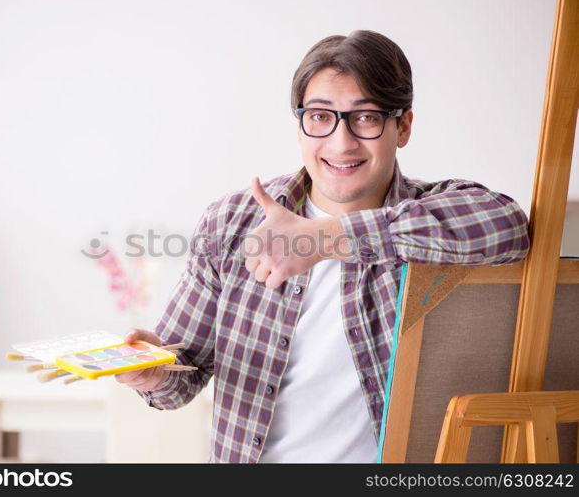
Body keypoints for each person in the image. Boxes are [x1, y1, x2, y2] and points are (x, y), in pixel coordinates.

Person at [114, 31, 530, 463]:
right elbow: (183, 375)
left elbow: (509, 226)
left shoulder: (431, 216)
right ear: (300, 125)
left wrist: (325, 238)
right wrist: (152, 372)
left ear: (402, 125)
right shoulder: (232, 222)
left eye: (365, 117)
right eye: (320, 117)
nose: (341, 142)